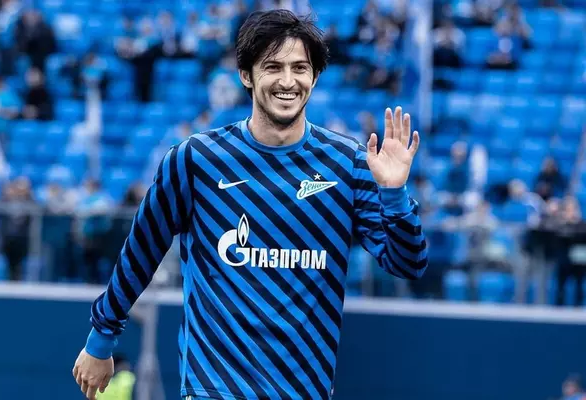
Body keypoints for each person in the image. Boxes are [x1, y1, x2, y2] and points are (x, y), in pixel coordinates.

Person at [72, 9, 428, 400]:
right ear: (246, 74)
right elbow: (141, 250)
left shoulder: (350, 164)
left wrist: (394, 193)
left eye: (300, 68)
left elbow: (407, 264)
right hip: (214, 389)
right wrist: (101, 337)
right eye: (273, 67)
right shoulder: (196, 160)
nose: (288, 81)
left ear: (315, 77)